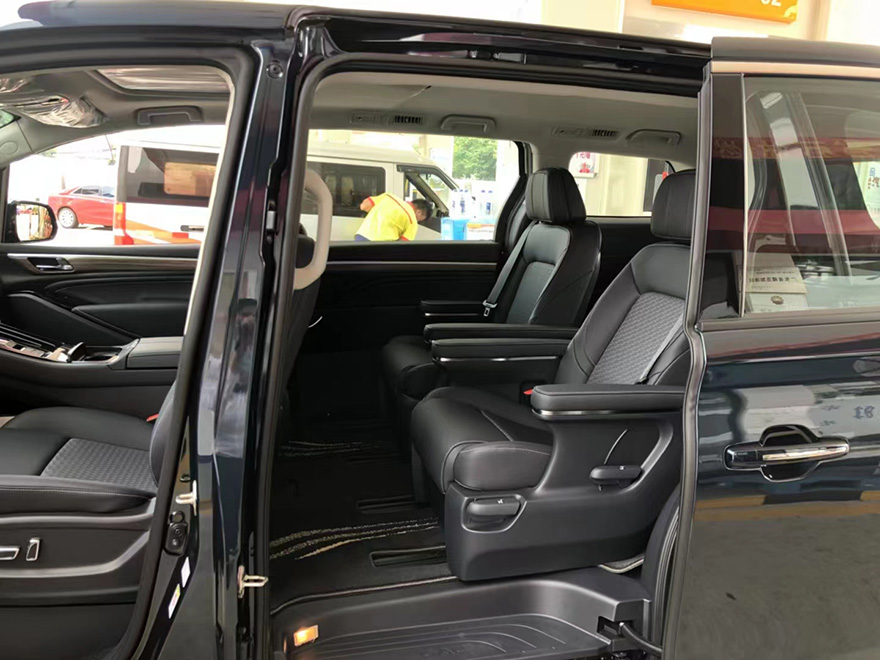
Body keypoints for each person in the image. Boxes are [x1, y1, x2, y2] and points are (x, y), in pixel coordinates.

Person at [354, 192, 431, 241]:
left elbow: (363, 206)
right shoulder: (412, 222)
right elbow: (403, 244)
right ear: (418, 212)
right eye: (419, 219)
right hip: (381, 246)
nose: (417, 221)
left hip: (361, 237)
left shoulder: (388, 196)